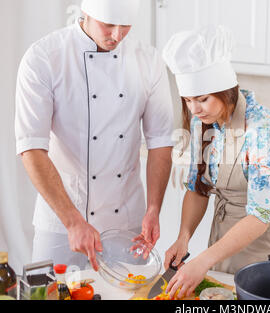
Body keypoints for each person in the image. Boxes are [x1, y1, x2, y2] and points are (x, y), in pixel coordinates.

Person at [15, 0, 174, 271]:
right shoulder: (44, 57)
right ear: (85, 12)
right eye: (108, 24)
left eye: (125, 26)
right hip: (61, 222)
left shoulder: (148, 60)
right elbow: (31, 148)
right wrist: (73, 221)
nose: (116, 35)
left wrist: (154, 208)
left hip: (126, 223)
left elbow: (160, 141)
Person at [161, 25, 270, 298]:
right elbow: (197, 186)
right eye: (188, 100)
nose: (194, 109)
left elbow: (260, 216)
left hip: (266, 249)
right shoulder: (204, 122)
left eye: (202, 99)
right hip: (223, 245)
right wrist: (184, 237)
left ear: (226, 91)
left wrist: (203, 260)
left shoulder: (264, 130)